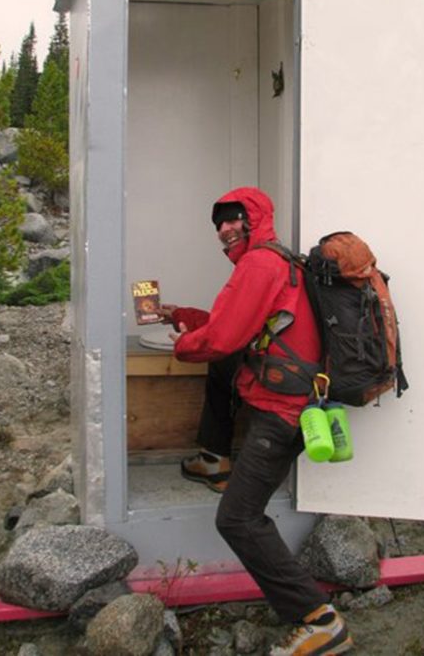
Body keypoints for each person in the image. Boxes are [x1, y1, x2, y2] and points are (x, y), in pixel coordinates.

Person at [159, 187, 354, 656]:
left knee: (238, 519)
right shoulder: (276, 263)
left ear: (255, 218)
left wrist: (181, 346)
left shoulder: (260, 265)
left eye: (233, 217)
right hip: (290, 401)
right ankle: (215, 460)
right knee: (224, 365)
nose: (224, 228)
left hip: (284, 413)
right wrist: (186, 318)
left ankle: (319, 619)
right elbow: (242, 327)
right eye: (218, 222)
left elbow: (224, 336)